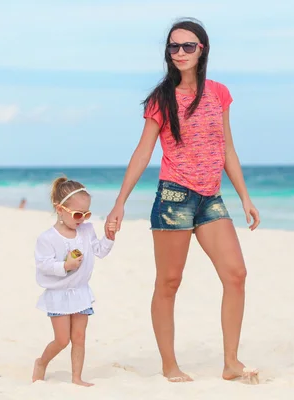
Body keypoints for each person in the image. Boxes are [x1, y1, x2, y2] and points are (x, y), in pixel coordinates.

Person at [104, 18, 260, 384]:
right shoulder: (162, 99)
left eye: (187, 46)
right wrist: (119, 202)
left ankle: (231, 363)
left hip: (211, 198)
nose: (180, 53)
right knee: (169, 282)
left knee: (236, 274)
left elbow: (227, 150)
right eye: (173, 47)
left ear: (201, 49)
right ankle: (169, 366)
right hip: (174, 197)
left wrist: (245, 198)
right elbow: (144, 151)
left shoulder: (219, 93)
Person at [32, 176, 116, 386]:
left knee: (79, 338)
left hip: (80, 293)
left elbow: (100, 251)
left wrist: (110, 236)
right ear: (60, 209)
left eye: (86, 213)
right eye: (78, 214)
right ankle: (41, 362)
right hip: (59, 295)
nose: (83, 219)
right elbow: (43, 265)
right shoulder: (47, 238)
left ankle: (77, 377)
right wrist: (65, 266)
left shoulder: (86, 230)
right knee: (62, 340)